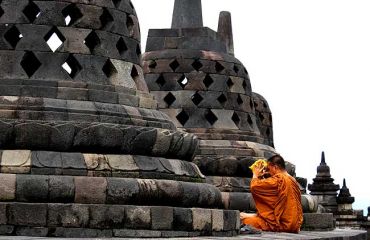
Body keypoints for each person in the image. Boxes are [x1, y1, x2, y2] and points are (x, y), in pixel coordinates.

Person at [240, 154, 303, 233]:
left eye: (269, 169)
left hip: (282, 225)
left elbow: (255, 187)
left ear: (275, 167)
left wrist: (255, 175)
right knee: (247, 216)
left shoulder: (279, 179)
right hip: (296, 225)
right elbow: (275, 206)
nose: (268, 172)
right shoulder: (293, 180)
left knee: (244, 220)